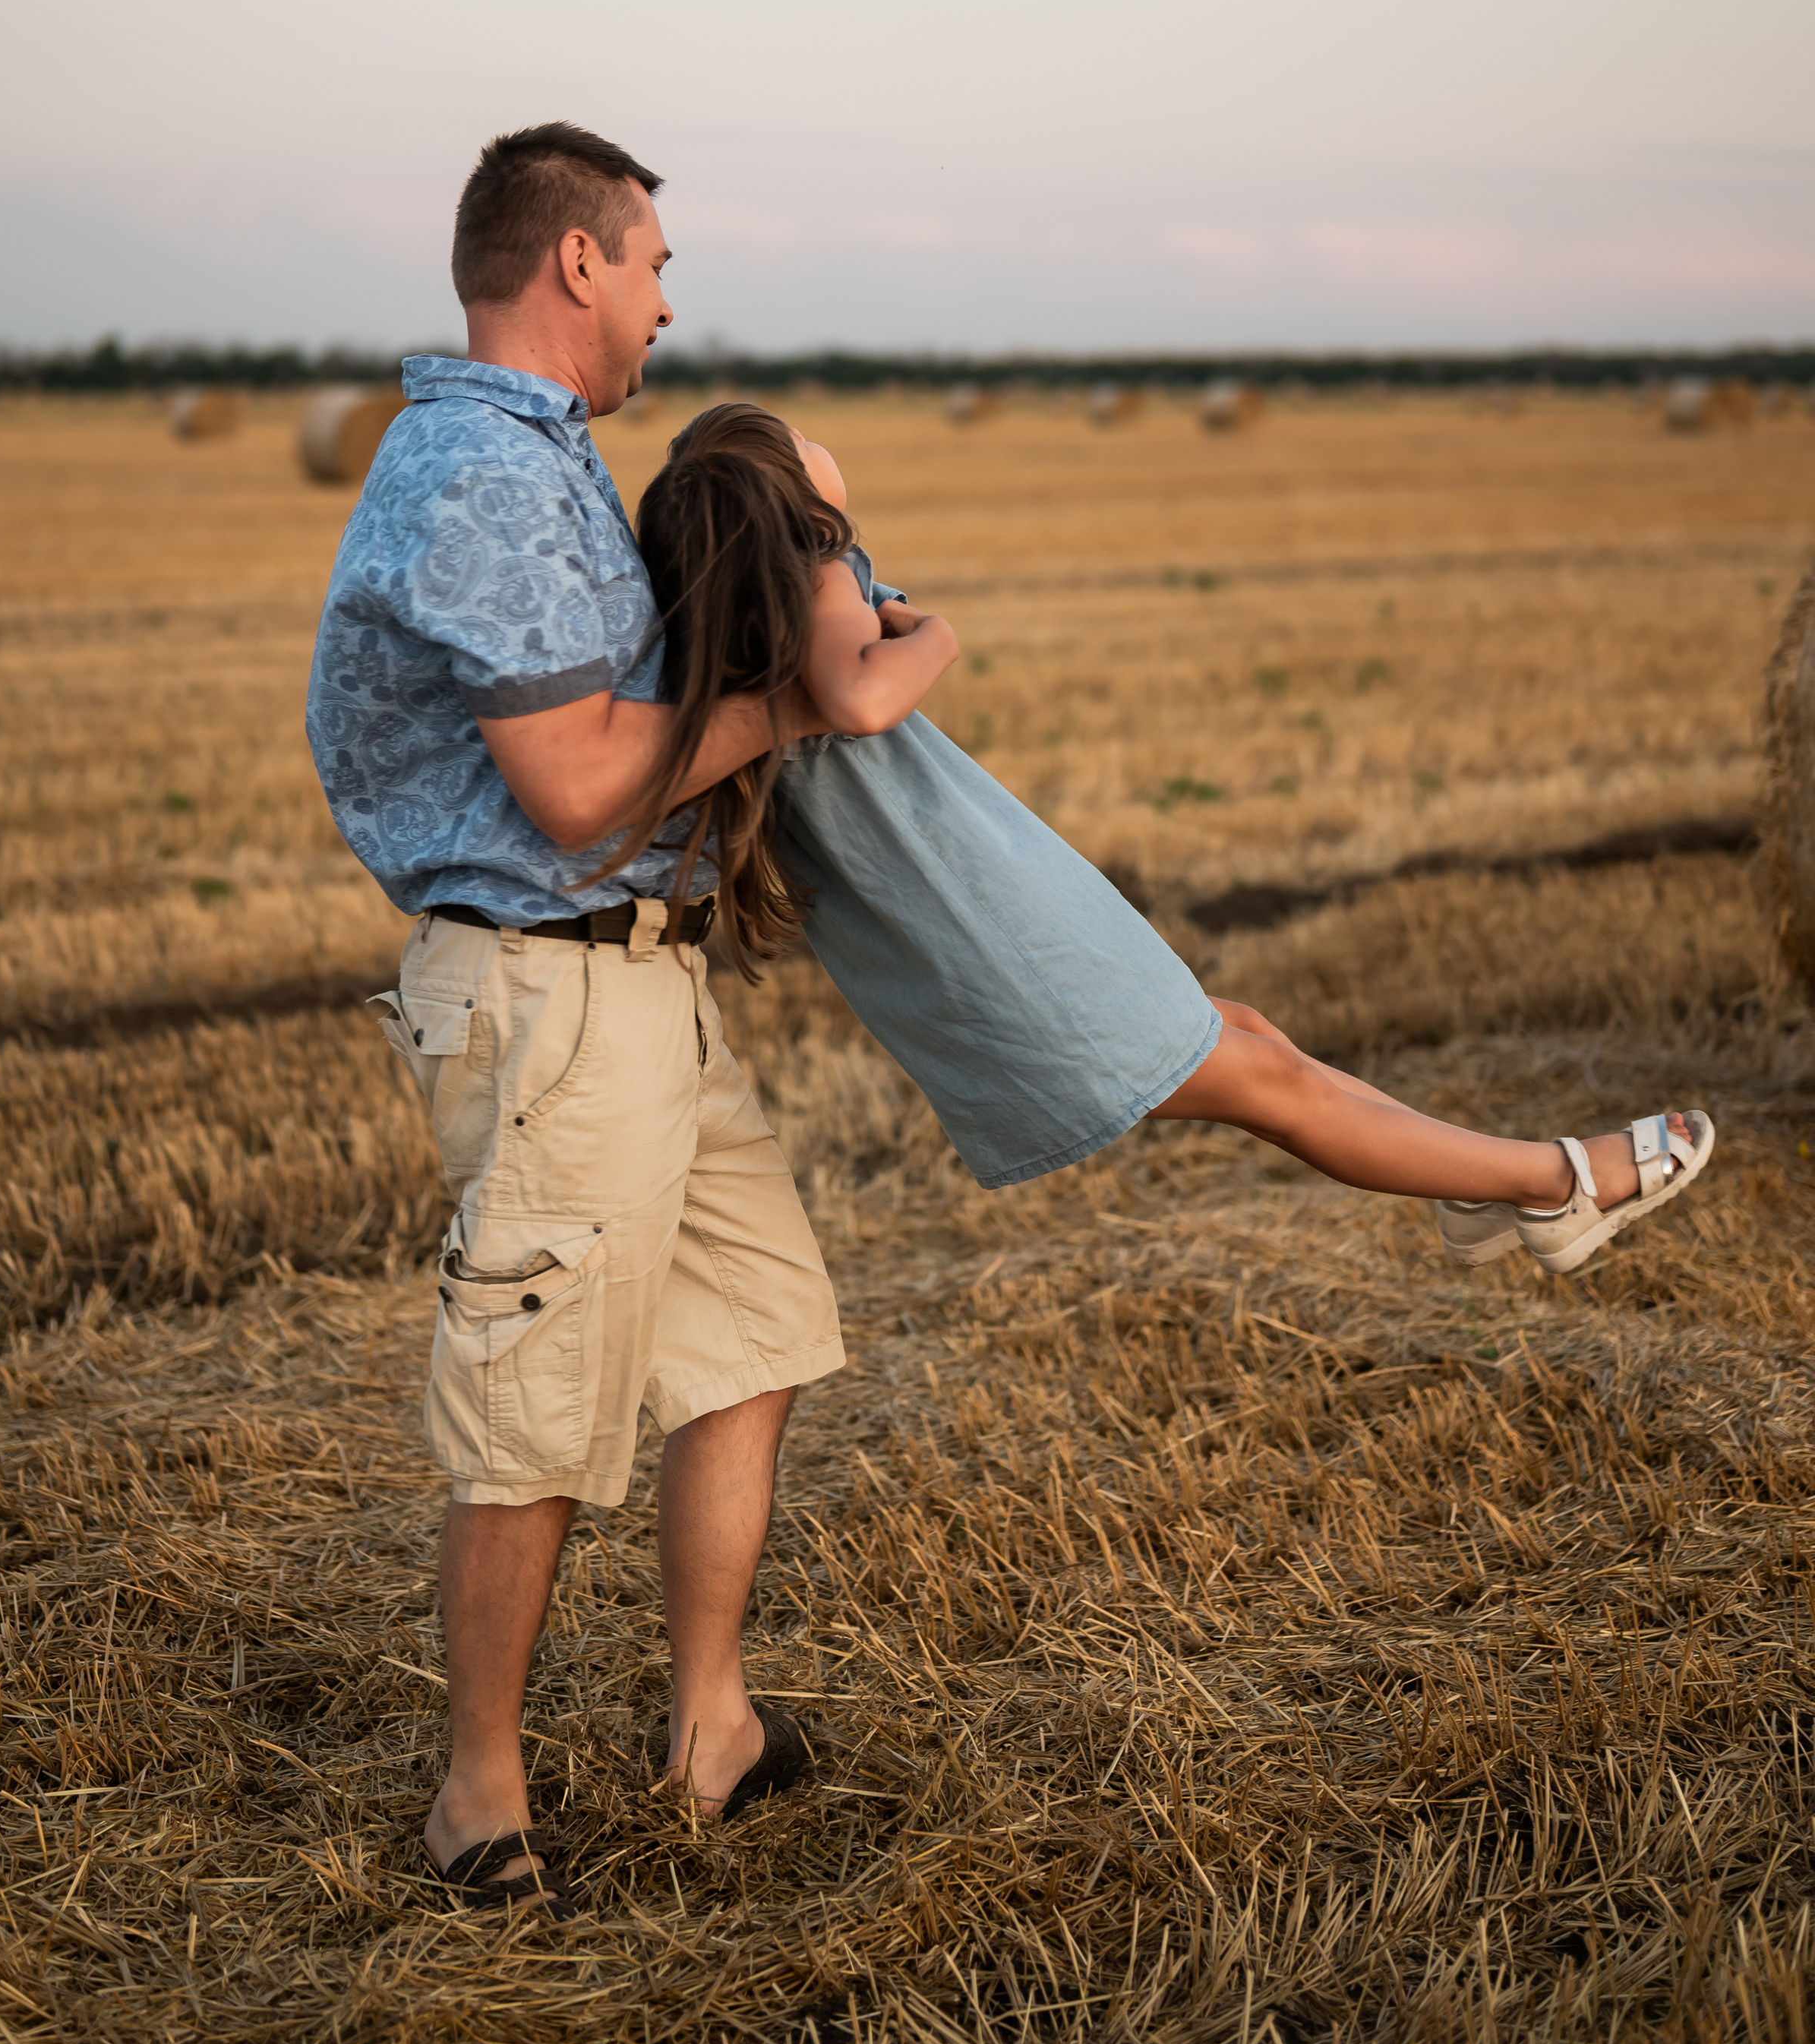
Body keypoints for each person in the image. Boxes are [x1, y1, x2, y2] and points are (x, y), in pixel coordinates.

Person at [305, 130, 844, 1919]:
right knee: (534, 1409)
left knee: (759, 1322)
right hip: (549, 998)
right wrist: (797, 704)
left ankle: (709, 1732)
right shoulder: (476, 470)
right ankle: (477, 1796)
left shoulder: (538, 460)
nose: (671, 298)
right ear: (578, 265)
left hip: (633, 984)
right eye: (655, 262)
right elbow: (582, 791)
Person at [619, 402, 1712, 1269]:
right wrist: (940, 632)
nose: (827, 444)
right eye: (804, 439)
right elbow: (862, 700)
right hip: (999, 934)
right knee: (1270, 1082)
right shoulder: (822, 575)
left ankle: (1479, 1185)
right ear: (788, 495)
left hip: (978, 928)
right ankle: (1557, 1181)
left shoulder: (740, 642)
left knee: (1249, 1036)